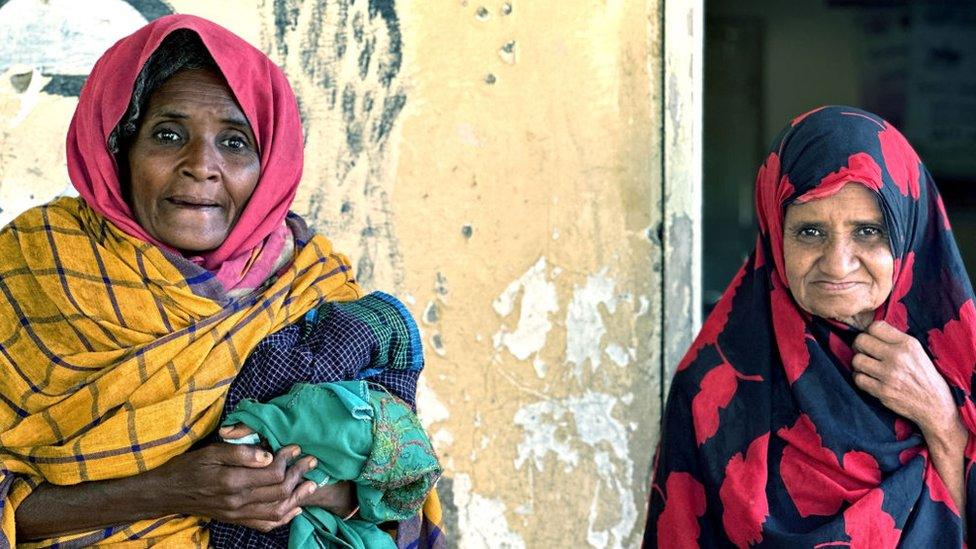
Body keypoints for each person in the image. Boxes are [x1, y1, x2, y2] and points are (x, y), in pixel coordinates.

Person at [0, 14, 442, 548]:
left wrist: (298, 488)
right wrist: (169, 490)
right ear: (118, 152)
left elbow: (399, 490)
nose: (201, 166)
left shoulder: (312, 289)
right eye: (168, 135)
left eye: (234, 143)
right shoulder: (34, 270)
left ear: (269, 165)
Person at [643, 106, 976, 547]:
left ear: (909, 232)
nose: (838, 263)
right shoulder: (713, 388)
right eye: (810, 232)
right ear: (775, 235)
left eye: (868, 231)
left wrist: (943, 422)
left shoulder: (961, 370)